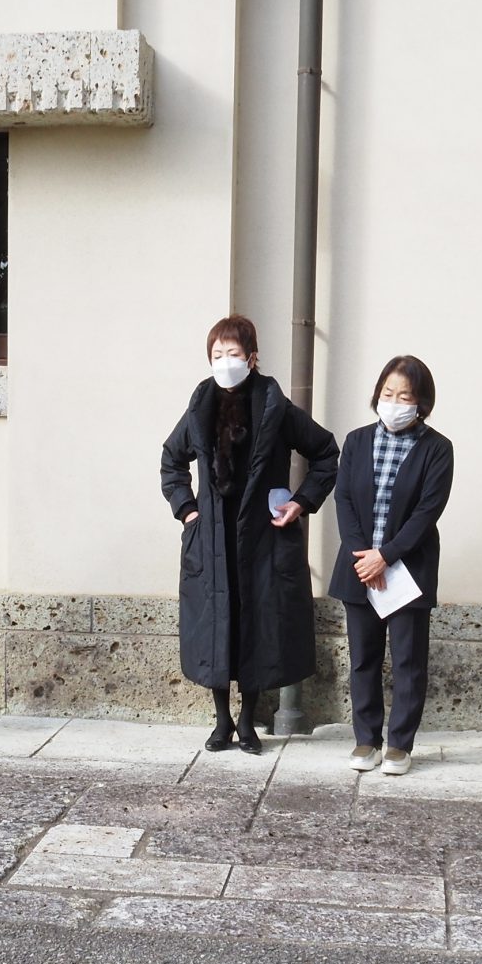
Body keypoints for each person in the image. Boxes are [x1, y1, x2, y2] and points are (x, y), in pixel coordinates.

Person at [160, 315, 338, 753]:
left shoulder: (274, 405)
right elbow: (171, 459)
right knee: (216, 625)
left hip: (263, 537)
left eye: (233, 353)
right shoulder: (200, 405)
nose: (225, 362)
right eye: (217, 354)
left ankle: (247, 722)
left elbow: (325, 452)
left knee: (256, 624)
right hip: (213, 537)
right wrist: (187, 510)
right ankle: (221, 720)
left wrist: (300, 502)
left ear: (252, 357)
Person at [329, 354, 454, 774]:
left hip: (408, 571)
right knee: (363, 659)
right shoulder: (357, 441)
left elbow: (427, 511)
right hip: (360, 568)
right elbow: (344, 499)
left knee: (408, 662)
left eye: (404, 396)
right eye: (388, 393)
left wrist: (386, 555)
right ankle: (366, 740)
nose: (394, 402)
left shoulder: (438, 448)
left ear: (421, 402)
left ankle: (400, 744)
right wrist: (364, 555)